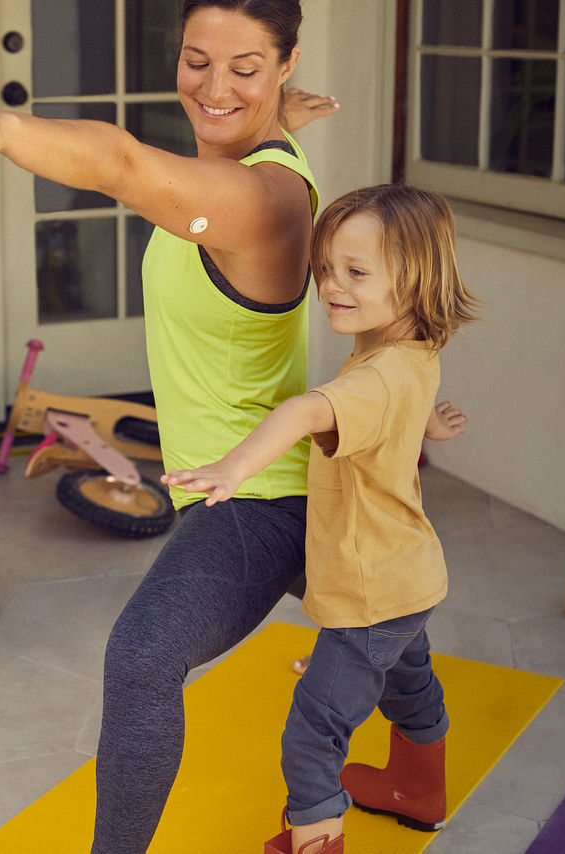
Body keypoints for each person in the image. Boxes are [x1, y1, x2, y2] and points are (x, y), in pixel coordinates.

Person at [0, 3, 394, 852]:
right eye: (197, 60)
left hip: (259, 498)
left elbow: (122, 162)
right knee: (389, 613)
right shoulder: (259, 151)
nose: (213, 86)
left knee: (141, 658)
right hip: (275, 476)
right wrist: (274, 104)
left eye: (245, 68)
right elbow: (234, 120)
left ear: (286, 63)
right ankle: (422, 761)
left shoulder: (262, 198)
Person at [163, 183, 480, 852]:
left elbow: (309, 410)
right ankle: (419, 788)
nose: (332, 286)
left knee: (315, 729)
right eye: (325, 268)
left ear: (418, 281)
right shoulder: (409, 347)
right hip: (409, 578)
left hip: (370, 593)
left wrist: (233, 467)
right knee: (408, 683)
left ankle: (315, 840)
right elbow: (400, 396)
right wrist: (426, 423)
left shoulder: (373, 378)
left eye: (356, 272)